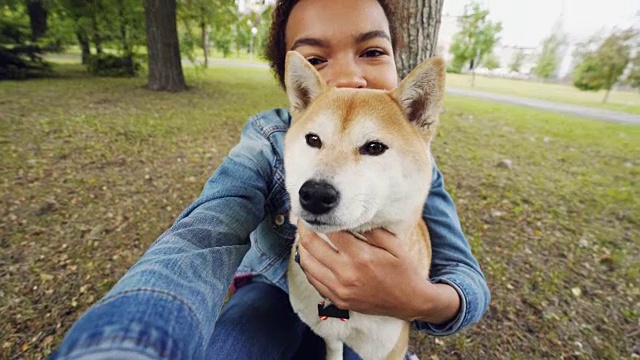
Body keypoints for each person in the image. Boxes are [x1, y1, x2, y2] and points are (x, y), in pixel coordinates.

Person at [51, 0, 490, 359]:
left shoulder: (417, 167)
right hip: (276, 288)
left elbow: (465, 277)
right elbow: (205, 233)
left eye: (371, 51)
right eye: (315, 59)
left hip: (383, 306)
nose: (349, 77)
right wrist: (124, 345)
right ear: (297, 90)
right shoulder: (267, 138)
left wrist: (417, 301)